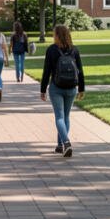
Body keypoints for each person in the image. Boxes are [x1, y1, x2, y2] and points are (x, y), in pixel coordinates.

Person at [41, 24, 85, 158]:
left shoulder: (52, 50)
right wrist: (81, 89)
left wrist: (43, 90)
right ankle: (60, 146)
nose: (53, 36)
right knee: (66, 117)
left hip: (57, 87)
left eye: (54, 34)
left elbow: (46, 72)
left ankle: (66, 142)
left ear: (57, 35)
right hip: (71, 88)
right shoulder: (74, 50)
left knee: (59, 117)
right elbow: (80, 71)